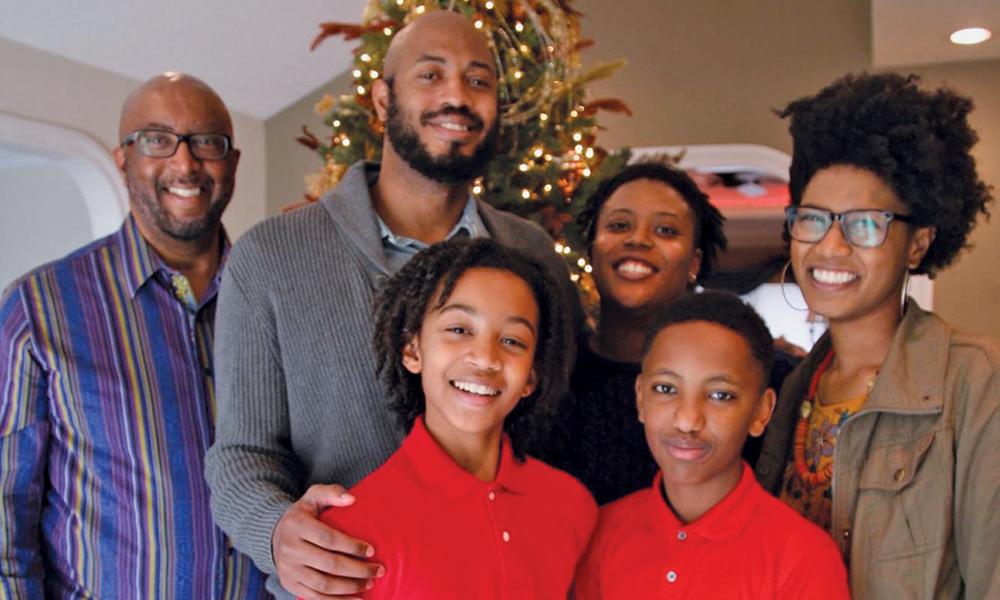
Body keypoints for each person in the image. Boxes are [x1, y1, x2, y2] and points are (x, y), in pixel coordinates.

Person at [205, 10, 579, 599]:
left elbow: (551, 430)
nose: (457, 95)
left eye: (479, 80)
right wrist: (275, 530)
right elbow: (243, 454)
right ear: (381, 100)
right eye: (430, 75)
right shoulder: (272, 257)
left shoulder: (530, 255)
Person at [0, 73, 267, 598]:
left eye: (206, 142)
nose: (185, 163)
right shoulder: (38, 308)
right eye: (156, 140)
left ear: (233, 163)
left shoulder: (274, 299)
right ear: (123, 159)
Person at [755, 72, 998, 599]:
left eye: (864, 224)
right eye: (813, 219)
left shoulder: (977, 383)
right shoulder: (790, 390)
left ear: (918, 245)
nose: (831, 247)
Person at [316, 238, 595, 598]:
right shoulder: (353, 529)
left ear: (530, 377)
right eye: (459, 330)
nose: (485, 358)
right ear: (412, 349)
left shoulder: (572, 507)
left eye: (513, 341)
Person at [539, 162, 797, 504]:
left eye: (665, 230)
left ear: (693, 263)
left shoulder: (765, 377)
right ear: (592, 250)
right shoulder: (552, 378)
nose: (637, 239)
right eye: (619, 225)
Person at [574, 291, 849, 599]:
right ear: (640, 398)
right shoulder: (603, 533)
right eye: (665, 389)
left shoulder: (804, 558)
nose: (688, 420)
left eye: (720, 395)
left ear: (761, 412)